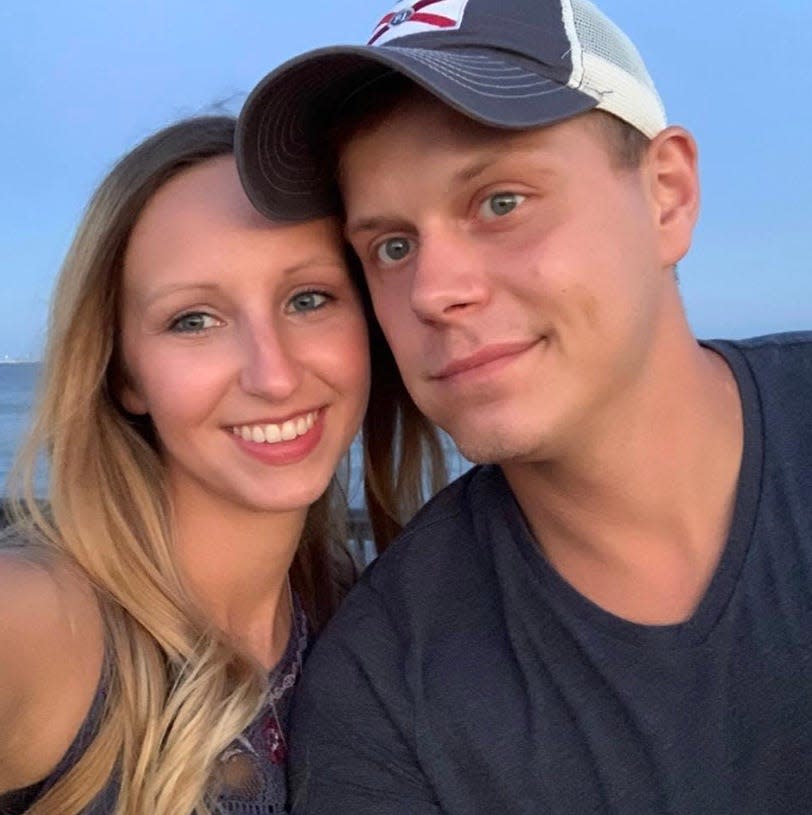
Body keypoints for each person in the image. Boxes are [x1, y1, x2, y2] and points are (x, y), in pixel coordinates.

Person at [234, 0, 812, 813]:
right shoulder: (387, 690)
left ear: (667, 196)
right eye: (392, 247)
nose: (434, 291)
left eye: (501, 201)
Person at [0, 115, 442, 815]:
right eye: (194, 319)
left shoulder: (350, 615)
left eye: (308, 299)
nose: (273, 374)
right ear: (125, 373)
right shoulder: (41, 623)